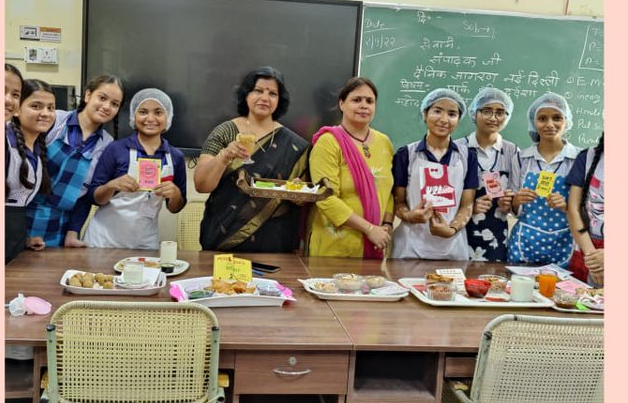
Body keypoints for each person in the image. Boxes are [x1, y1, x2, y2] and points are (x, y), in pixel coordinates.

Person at [195, 67, 309, 252]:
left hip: (275, 244)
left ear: (279, 100)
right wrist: (224, 156)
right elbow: (201, 185)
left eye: (272, 93)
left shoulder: (296, 144)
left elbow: (303, 199)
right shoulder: (226, 131)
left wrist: (297, 191)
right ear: (246, 94)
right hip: (223, 238)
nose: (265, 97)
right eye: (258, 90)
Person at [69, 88, 186, 250]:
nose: (150, 118)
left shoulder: (175, 157)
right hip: (103, 240)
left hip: (145, 243)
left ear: (168, 118)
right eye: (143, 112)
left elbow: (175, 208)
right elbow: (94, 198)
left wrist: (175, 194)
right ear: (133, 116)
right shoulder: (115, 149)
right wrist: (112, 186)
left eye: (158, 112)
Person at [26, 74, 124, 248]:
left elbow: (85, 197)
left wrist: (73, 233)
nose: (106, 107)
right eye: (102, 98)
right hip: (23, 216)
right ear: (87, 95)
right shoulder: (54, 120)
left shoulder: (108, 146)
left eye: (114, 104)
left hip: (60, 228)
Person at [391, 88, 484, 260]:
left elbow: (466, 205)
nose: (444, 119)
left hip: (452, 248)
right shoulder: (406, 154)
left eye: (452, 114)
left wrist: (452, 229)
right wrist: (410, 215)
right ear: (425, 114)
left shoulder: (467, 156)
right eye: (437, 111)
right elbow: (399, 202)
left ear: (458, 119)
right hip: (410, 247)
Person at [308, 77, 395, 257]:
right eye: (356, 100)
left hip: (376, 244)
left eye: (369, 101)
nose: (364, 105)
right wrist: (369, 229)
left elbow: (389, 190)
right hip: (335, 247)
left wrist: (386, 225)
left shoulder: (384, 142)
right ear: (341, 104)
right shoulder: (328, 143)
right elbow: (325, 198)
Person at [508, 94, 579, 266]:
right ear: (533, 122)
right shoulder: (521, 158)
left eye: (557, 118)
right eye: (542, 118)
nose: (549, 124)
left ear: (566, 121)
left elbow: (588, 207)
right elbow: (512, 206)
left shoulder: (579, 159)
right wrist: (517, 201)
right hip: (525, 241)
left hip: (564, 241)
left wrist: (566, 206)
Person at [461, 87, 521, 262]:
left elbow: (517, 197)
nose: (493, 117)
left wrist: (509, 203)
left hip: (496, 234)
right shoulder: (458, 148)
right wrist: (469, 205)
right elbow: (445, 193)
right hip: (460, 231)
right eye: (486, 111)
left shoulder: (513, 152)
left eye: (500, 112)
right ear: (475, 113)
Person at [6, 79, 55, 262]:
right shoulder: (5, 143)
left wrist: (24, 240)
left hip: (14, 242)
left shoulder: (37, 148)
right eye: (36, 106)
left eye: (51, 108)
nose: (46, 113)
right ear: (17, 109)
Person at [567, 132, 604, 285]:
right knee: (583, 303)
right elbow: (573, 209)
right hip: (587, 248)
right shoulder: (588, 157)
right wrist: (592, 259)